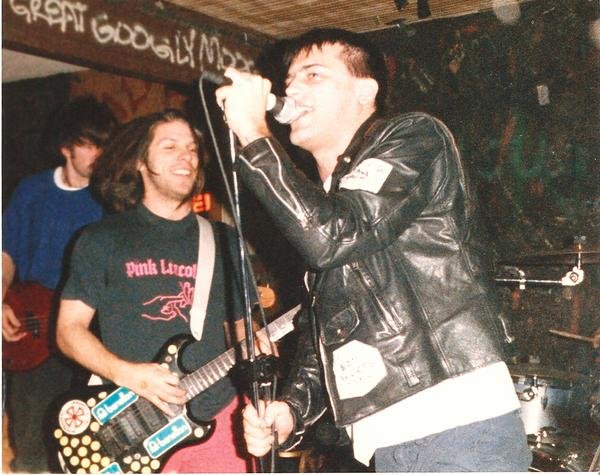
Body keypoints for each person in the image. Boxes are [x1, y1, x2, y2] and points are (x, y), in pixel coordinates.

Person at [215, 28, 532, 472]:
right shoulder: (325, 205)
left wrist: (252, 132)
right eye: (289, 81)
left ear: (366, 91)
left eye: (313, 75)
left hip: (456, 425)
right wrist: (292, 411)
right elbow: (328, 333)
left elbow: (334, 237)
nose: (292, 89)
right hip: (390, 445)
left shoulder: (414, 137)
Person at [56, 109, 264, 473]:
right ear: (140, 161)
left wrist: (258, 347)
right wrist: (127, 374)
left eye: (192, 149)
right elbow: (68, 331)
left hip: (219, 421)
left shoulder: (225, 241)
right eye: (170, 147)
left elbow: (241, 329)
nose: (186, 157)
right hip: (129, 424)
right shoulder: (101, 239)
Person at [2, 96, 117, 473]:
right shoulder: (31, 191)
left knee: (91, 443)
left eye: (104, 144)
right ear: (66, 147)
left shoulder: (112, 198)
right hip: (33, 331)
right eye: (90, 144)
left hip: (91, 333)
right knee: (32, 446)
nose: (100, 153)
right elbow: (6, 254)